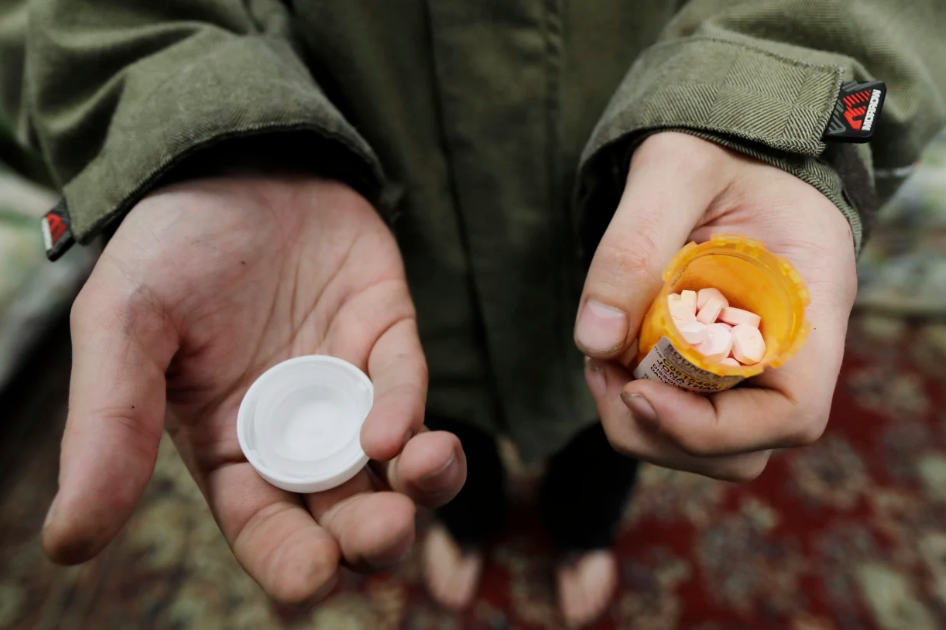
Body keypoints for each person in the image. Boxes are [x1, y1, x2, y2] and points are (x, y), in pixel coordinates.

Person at [2, 0, 943, 626]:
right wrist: (195, 131)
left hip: (629, 210)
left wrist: (771, 103)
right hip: (381, 268)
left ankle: (582, 532)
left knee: (613, 430)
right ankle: (471, 522)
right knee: (434, 444)